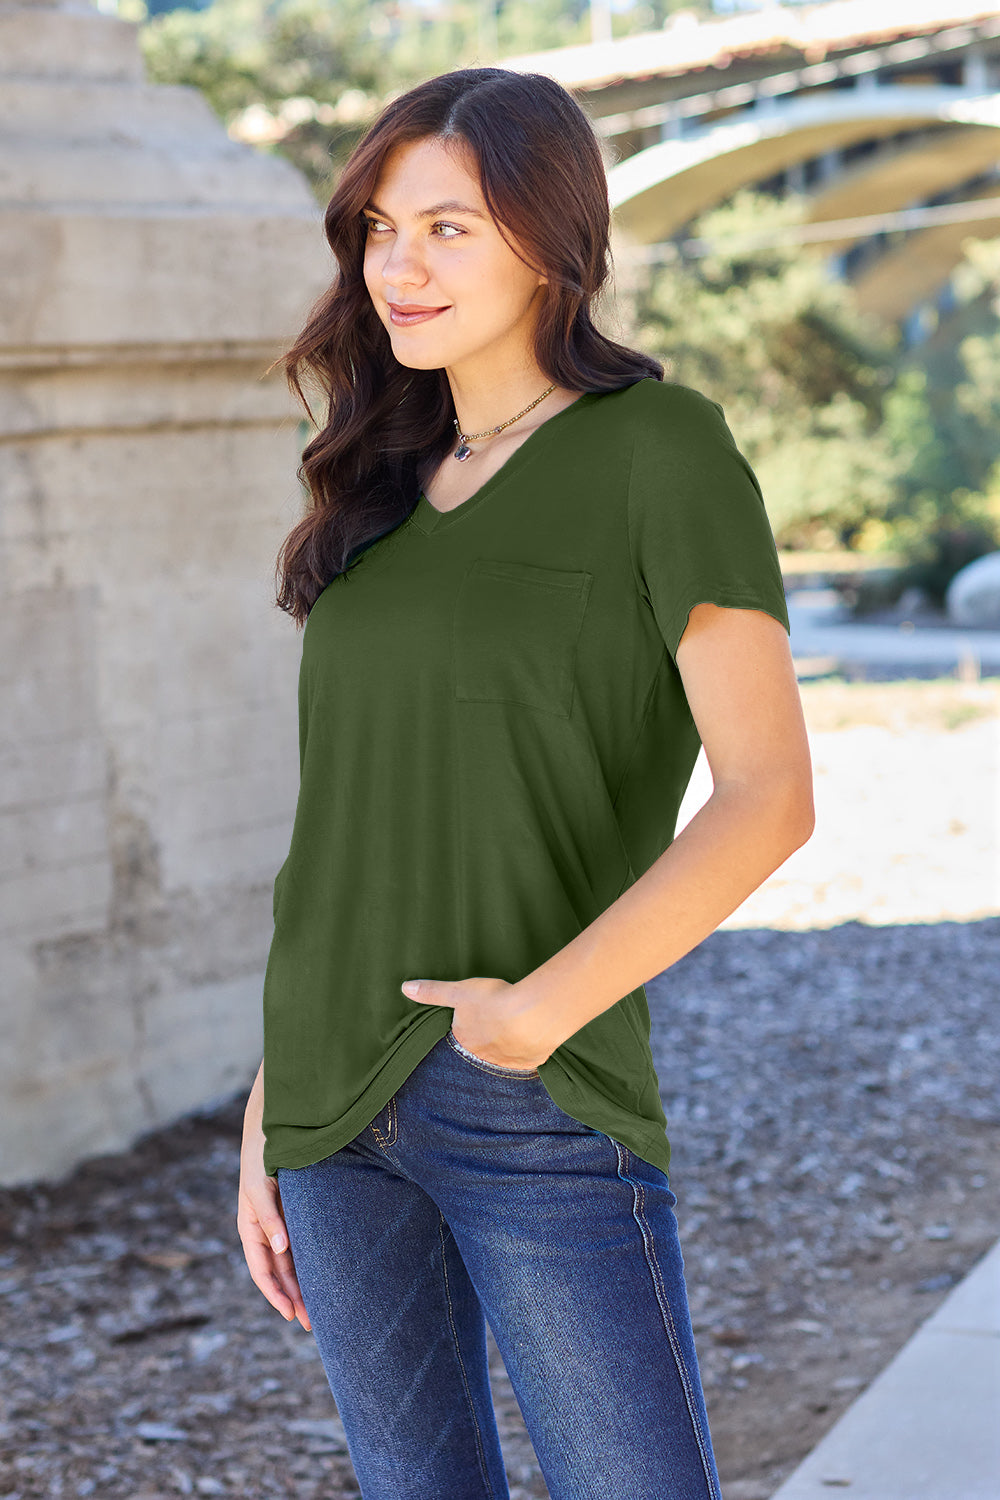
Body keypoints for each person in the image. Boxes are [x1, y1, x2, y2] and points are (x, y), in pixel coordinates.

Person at [237, 65, 814, 1500]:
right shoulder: (380, 480)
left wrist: (539, 1013)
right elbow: (349, 830)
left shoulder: (658, 454)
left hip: (529, 1084)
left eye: (449, 226)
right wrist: (267, 1106)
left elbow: (770, 797)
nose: (399, 266)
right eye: (379, 228)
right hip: (327, 1097)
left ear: (552, 239)